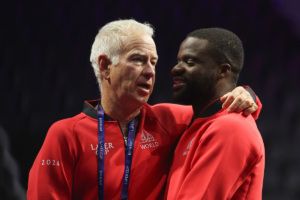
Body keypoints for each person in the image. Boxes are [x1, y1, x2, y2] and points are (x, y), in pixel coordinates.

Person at [27, 20, 260, 200]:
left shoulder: (168, 120)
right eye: (138, 60)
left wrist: (247, 95)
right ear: (105, 65)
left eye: (154, 62)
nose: (150, 71)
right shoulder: (65, 135)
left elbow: (222, 117)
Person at [165, 28, 265, 199]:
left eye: (189, 61)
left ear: (223, 71)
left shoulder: (230, 128)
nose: (175, 69)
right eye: (178, 61)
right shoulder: (195, 121)